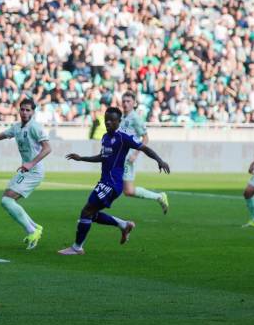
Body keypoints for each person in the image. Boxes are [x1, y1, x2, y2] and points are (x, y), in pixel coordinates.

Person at [58, 107, 170, 255]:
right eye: (106, 120)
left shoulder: (123, 138)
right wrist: (81, 158)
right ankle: (124, 225)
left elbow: (144, 148)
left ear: (119, 121)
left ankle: (77, 247)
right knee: (92, 214)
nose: (108, 122)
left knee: (86, 211)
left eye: (112, 120)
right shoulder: (105, 137)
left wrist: (160, 160)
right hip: (105, 182)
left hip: (112, 184)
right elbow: (102, 157)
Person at [0, 98, 51, 249]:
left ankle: (32, 230)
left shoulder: (35, 128)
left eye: (28, 110)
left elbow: (47, 148)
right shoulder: (17, 127)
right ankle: (35, 228)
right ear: (19, 111)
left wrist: (31, 163)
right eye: (23, 109)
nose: (25, 112)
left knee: (7, 201)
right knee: (7, 199)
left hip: (34, 171)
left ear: (33, 112)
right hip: (26, 170)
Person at [119, 92, 169, 213]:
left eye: (128, 101)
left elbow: (145, 138)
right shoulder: (121, 117)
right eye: (124, 101)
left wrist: (135, 154)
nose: (125, 104)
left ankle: (159, 196)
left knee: (128, 191)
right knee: (114, 184)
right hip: (119, 157)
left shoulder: (135, 118)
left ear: (134, 103)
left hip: (128, 158)